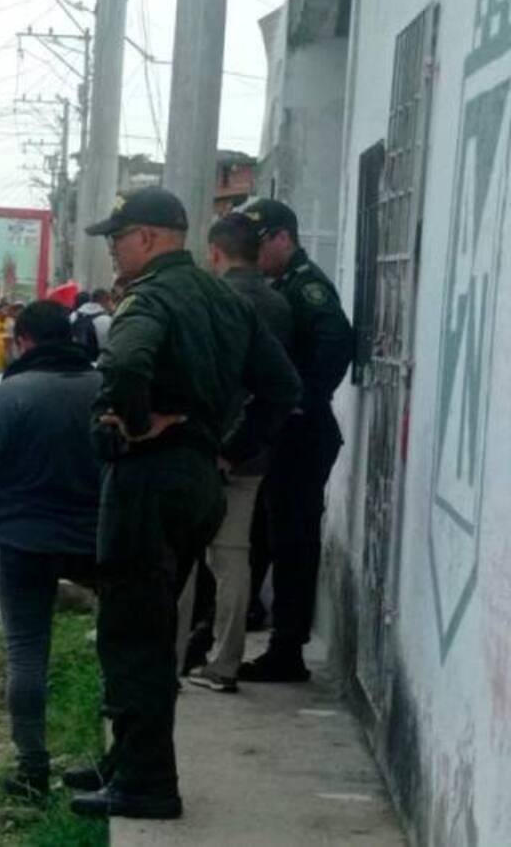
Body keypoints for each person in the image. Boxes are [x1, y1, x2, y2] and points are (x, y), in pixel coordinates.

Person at [71, 187, 301, 820]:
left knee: (133, 634)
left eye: (117, 238)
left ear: (147, 237)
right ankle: (129, 759)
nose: (113, 251)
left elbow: (124, 364)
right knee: (153, 624)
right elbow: (283, 386)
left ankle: (147, 783)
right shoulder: (224, 299)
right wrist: (229, 449)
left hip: (149, 479)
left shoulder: (152, 296)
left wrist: (137, 422)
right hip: (200, 477)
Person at [0, 300, 102, 799]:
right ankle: (115, 759)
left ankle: (32, 768)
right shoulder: (101, 387)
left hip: (22, 537)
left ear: (21, 340)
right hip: (94, 535)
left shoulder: (13, 393)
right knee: (116, 647)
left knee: (26, 652)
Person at [238, 198, 354, 683]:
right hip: (285, 430)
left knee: (293, 539)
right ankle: (273, 634)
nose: (255, 253)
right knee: (270, 533)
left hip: (304, 432)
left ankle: (289, 649)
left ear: (284, 237)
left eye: (259, 243)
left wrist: (302, 397)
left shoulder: (307, 287)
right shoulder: (280, 284)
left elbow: (337, 340)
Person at [178, 214, 294, 694]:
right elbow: (278, 385)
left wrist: (222, 448)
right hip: (255, 450)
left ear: (216, 252)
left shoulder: (219, 301)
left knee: (192, 558)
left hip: (213, 447)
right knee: (233, 557)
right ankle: (224, 660)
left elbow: (221, 384)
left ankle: (186, 657)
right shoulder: (278, 301)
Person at [71, 289, 114, 362]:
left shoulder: (73, 316)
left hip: (73, 362)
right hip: (96, 364)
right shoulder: (106, 320)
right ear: (106, 301)